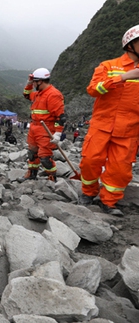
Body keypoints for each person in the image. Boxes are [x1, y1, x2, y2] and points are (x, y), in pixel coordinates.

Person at [78, 25, 139, 216]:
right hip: (101, 125)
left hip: (129, 130)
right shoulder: (108, 66)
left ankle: (109, 202)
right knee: (90, 161)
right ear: (130, 45)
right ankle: (88, 192)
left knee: (120, 169)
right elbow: (93, 89)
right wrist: (123, 78)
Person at [18, 68, 65, 183]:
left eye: (34, 82)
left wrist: (58, 134)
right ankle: (32, 174)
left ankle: (52, 177)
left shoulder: (53, 94)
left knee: (44, 157)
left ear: (40, 82)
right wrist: (29, 83)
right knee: (32, 153)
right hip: (34, 127)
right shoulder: (38, 94)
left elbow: (61, 117)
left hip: (46, 128)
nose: (33, 84)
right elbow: (26, 95)